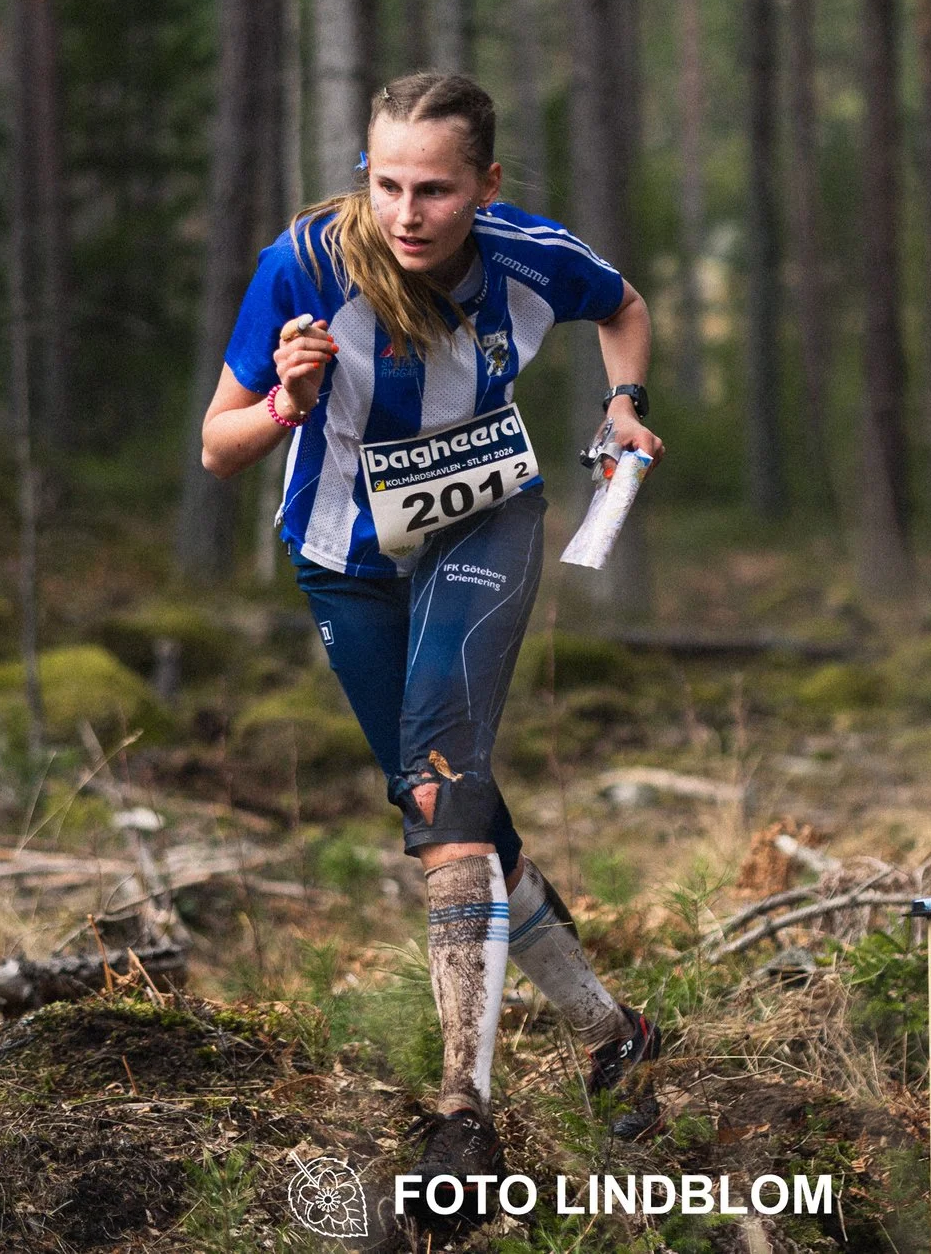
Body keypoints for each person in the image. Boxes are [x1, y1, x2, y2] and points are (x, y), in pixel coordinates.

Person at [199, 71, 666, 1234]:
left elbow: (624, 306)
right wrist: (289, 402)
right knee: (441, 797)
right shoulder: (303, 266)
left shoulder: (526, 251)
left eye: (436, 189)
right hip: (344, 553)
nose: (407, 211)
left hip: (481, 517)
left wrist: (624, 404)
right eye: (388, 181)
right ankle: (618, 1033)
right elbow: (219, 445)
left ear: (485, 185)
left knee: (445, 785)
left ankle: (463, 1110)